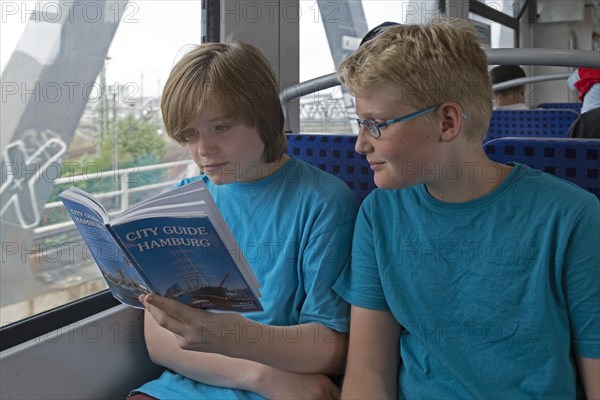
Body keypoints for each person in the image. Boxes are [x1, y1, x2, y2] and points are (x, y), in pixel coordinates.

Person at [333, 17, 600, 399]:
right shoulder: (379, 214)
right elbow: (369, 371)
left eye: (376, 124)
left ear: (446, 122)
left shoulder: (571, 218)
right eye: (359, 123)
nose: (360, 145)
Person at [128, 39, 357, 400]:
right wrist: (259, 376)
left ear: (263, 119)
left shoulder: (323, 202)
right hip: (193, 386)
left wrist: (239, 342)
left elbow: (334, 346)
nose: (203, 149)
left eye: (221, 127)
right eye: (190, 134)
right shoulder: (184, 200)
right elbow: (158, 338)